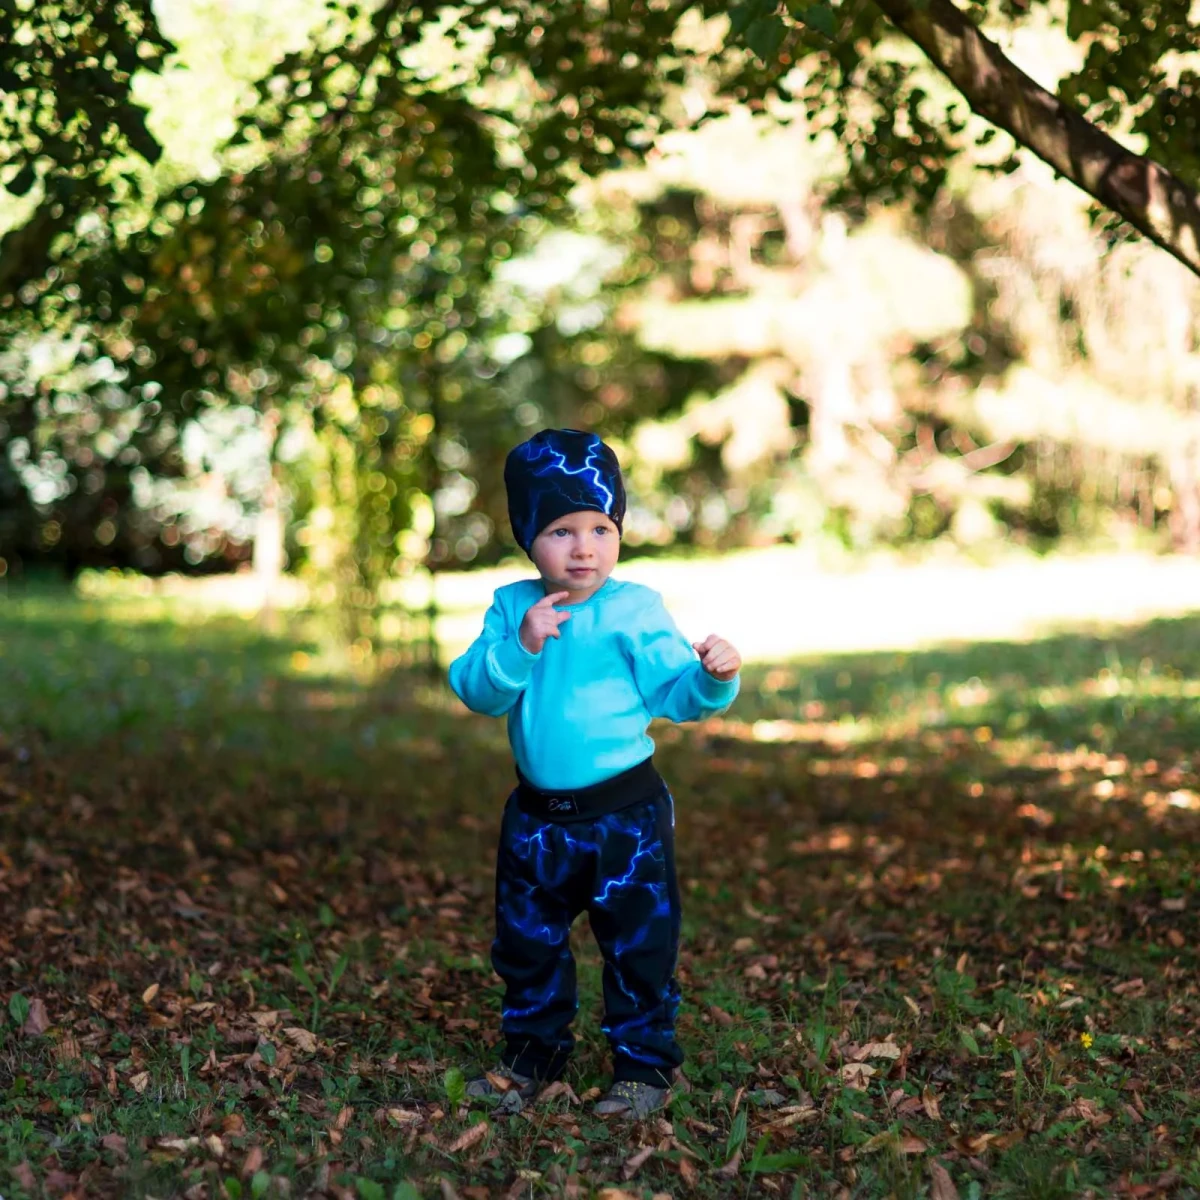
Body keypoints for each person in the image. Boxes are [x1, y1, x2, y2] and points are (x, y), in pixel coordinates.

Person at [447, 428, 742, 1119]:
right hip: (537, 821)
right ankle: (532, 1053)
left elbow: (676, 695)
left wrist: (712, 678)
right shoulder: (513, 608)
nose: (584, 548)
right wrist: (521, 647)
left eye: (601, 529)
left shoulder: (634, 608)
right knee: (527, 944)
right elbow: (476, 690)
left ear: (619, 532)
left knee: (639, 944)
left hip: (625, 819)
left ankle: (643, 1066)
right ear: (528, 536)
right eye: (561, 530)